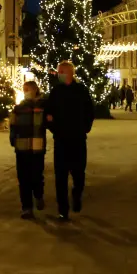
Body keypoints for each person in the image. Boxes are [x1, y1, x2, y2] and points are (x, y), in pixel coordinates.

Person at [43, 61, 95, 221]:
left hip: (78, 139)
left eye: (62, 72)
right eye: (58, 71)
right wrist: (52, 126)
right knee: (60, 177)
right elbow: (48, 113)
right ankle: (62, 210)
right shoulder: (56, 91)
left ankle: (77, 195)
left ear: (70, 73)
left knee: (79, 173)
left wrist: (85, 127)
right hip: (61, 140)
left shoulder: (81, 90)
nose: (59, 74)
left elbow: (89, 111)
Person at [9, 80, 47, 218]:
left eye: (28, 89)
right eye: (25, 89)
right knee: (23, 178)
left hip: (37, 148)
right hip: (22, 148)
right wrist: (13, 139)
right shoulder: (19, 108)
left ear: (35, 90)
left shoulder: (43, 106)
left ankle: (38, 195)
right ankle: (26, 207)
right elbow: (13, 124)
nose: (26, 92)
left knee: (37, 176)